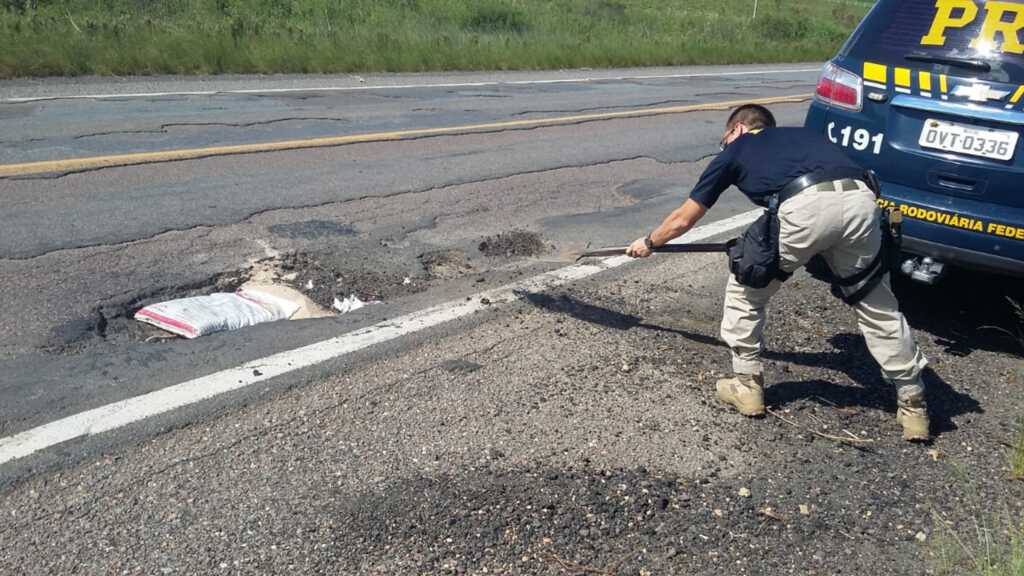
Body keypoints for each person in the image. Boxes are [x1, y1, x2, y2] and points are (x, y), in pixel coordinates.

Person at [625, 104, 930, 441]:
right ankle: (913, 404)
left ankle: (746, 386)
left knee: (747, 290)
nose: (724, 143)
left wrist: (649, 242)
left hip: (804, 205)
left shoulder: (735, 149)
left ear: (738, 129)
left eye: (724, 137)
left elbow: (684, 218)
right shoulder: (805, 136)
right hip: (863, 202)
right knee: (876, 304)